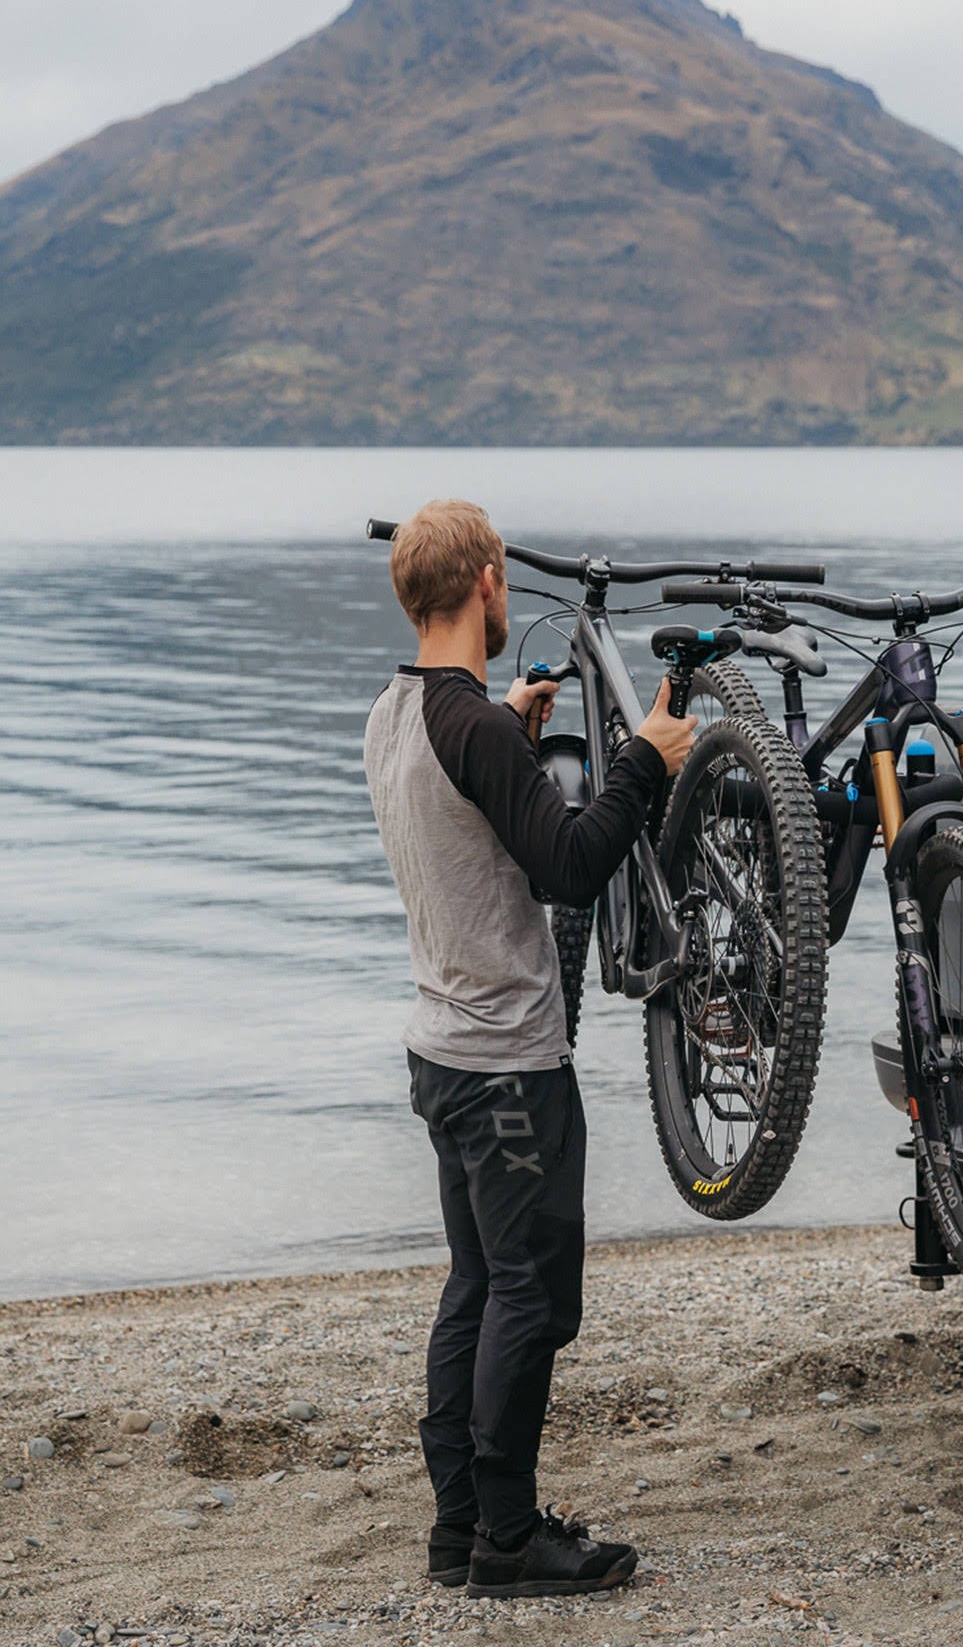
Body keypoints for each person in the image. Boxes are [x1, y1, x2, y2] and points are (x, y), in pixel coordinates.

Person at [363, 499, 696, 1598]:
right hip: (507, 1063)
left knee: (477, 1283)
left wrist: (508, 720)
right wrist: (644, 760)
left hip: (443, 1052)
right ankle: (509, 1539)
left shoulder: (400, 713)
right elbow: (567, 864)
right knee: (531, 1298)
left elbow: (457, 768)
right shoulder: (472, 731)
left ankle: (460, 1527)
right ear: (489, 581)